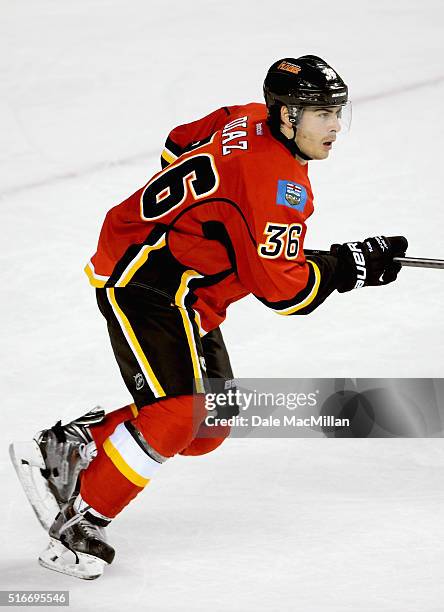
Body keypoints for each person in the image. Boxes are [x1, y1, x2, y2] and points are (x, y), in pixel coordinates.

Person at [10, 55, 408, 580]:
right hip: (144, 281)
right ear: (286, 116)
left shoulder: (245, 114)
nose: (334, 126)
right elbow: (285, 293)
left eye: (337, 112)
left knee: (210, 421)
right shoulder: (275, 189)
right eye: (320, 114)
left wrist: (209, 226)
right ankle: (82, 519)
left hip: (186, 287)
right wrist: (350, 265)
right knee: (177, 412)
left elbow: (177, 143)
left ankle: (72, 445)